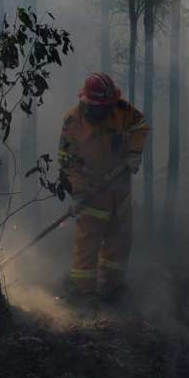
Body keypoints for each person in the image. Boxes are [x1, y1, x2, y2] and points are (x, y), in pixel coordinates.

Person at [57, 72, 149, 298]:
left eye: (110, 105)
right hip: (92, 194)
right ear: (88, 103)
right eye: (103, 106)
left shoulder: (121, 110)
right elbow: (67, 162)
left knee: (119, 243)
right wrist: (78, 192)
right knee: (87, 247)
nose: (108, 110)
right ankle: (83, 295)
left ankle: (111, 290)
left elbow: (141, 125)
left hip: (120, 194)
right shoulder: (72, 121)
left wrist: (134, 153)